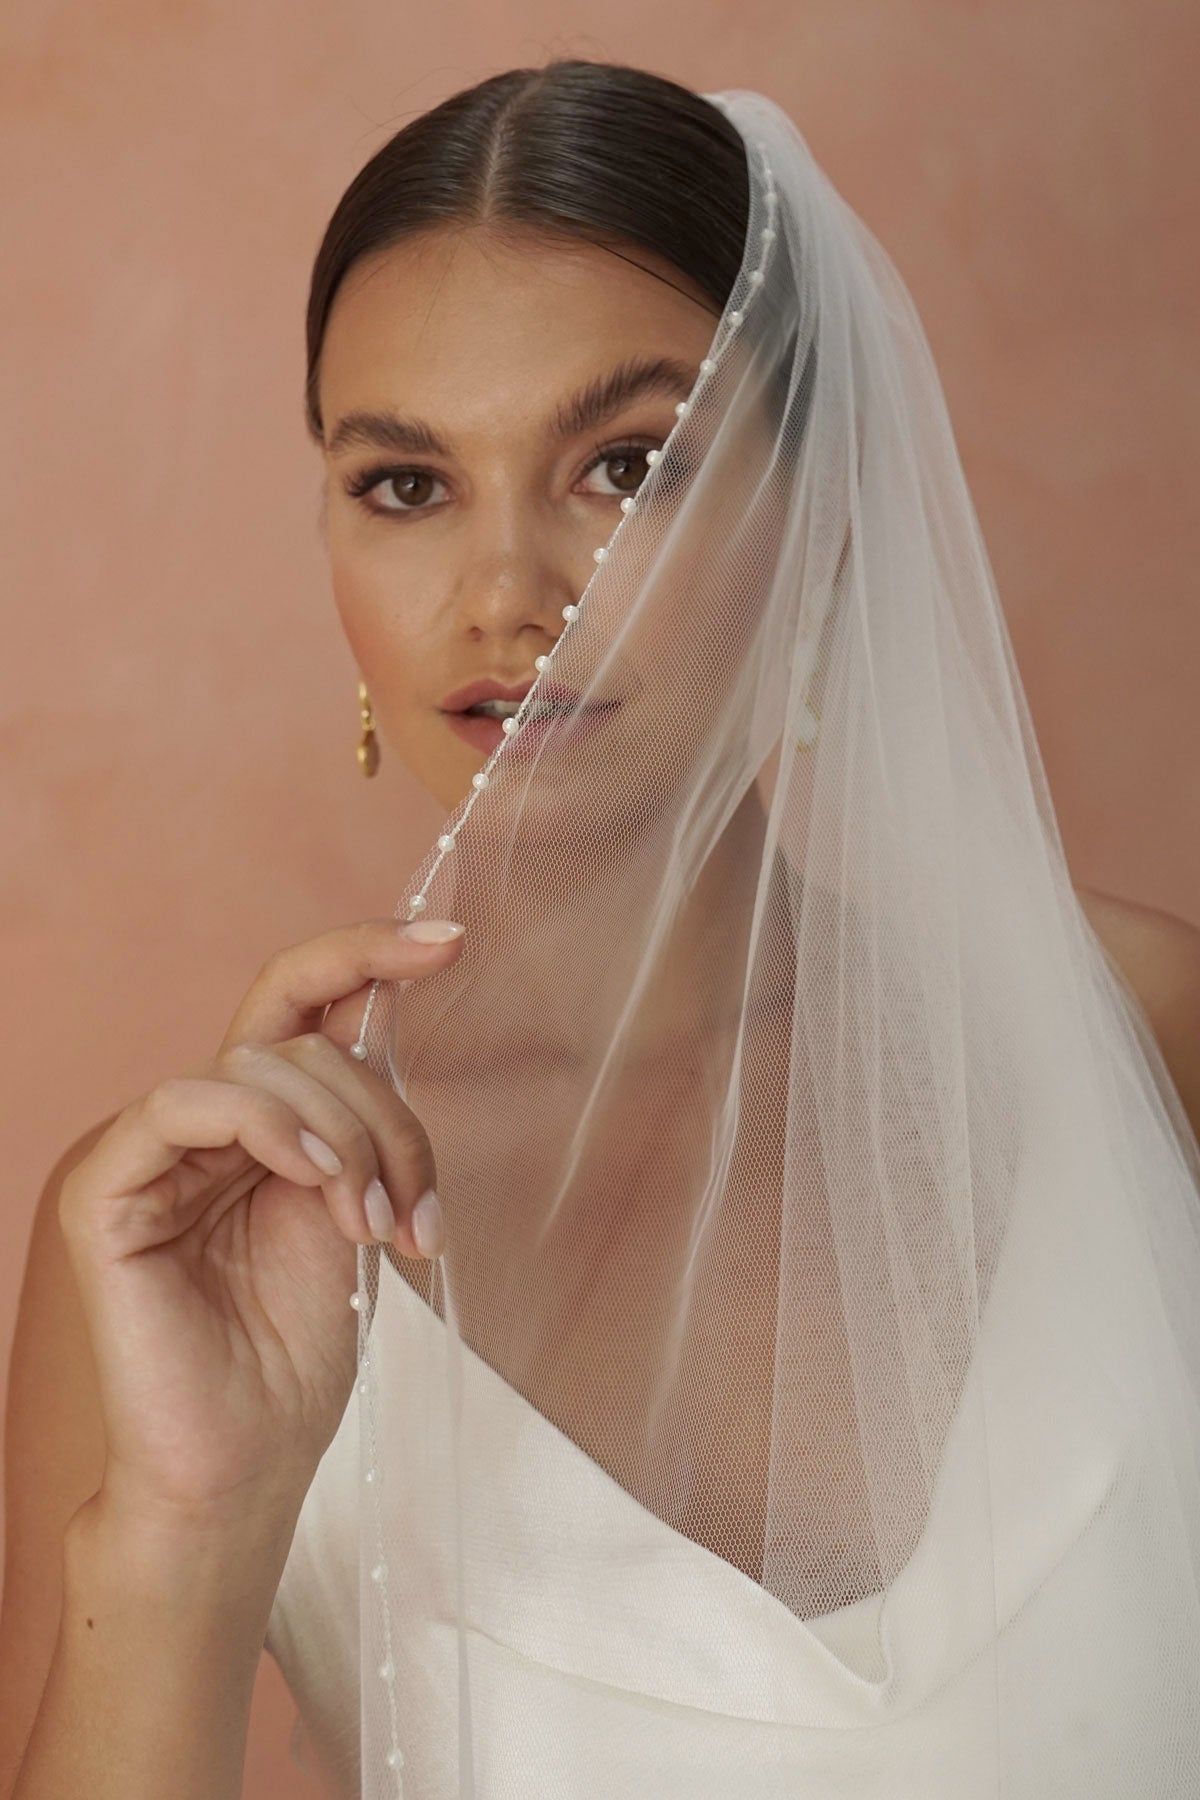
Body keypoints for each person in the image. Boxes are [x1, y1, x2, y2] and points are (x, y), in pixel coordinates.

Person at [4, 58, 1200, 1800]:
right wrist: (194, 1524)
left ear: (825, 505)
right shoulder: (174, 1231)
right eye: (405, 482)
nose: (505, 596)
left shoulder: (1146, 1042)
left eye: (626, 466)